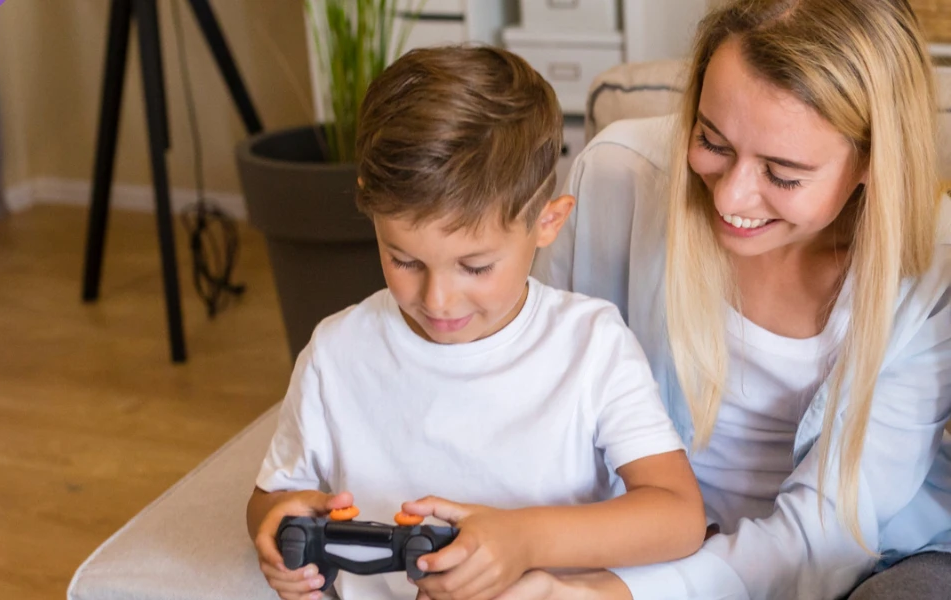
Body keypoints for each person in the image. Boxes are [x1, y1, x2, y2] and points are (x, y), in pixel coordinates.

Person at [514, 0, 951, 598]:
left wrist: (621, 592)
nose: (730, 199)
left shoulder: (935, 264)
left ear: (872, 162)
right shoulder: (617, 179)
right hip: (637, 543)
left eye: (783, 173)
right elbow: (524, 400)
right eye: (712, 141)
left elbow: (831, 533)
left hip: (870, 558)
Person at [244, 45, 707, 600]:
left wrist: (524, 541)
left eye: (476, 265)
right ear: (368, 207)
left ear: (547, 222)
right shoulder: (336, 351)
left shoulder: (591, 346)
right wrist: (275, 525)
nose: (438, 299)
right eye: (405, 260)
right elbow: (271, 498)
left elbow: (678, 516)